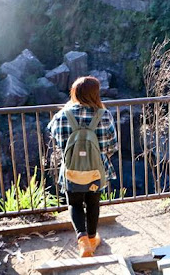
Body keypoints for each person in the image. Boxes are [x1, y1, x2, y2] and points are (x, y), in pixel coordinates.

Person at [48, 76, 118, 257]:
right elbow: (112, 146)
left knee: (75, 203)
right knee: (93, 203)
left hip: (72, 169)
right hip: (96, 169)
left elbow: (57, 139)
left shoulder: (63, 116)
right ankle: (93, 238)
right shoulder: (104, 115)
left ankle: (83, 240)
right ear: (96, 94)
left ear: (74, 93)